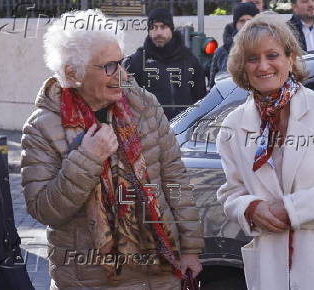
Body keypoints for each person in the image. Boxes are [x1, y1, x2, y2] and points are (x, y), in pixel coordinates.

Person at [21, 9, 203, 290]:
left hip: (160, 272)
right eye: (109, 66)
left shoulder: (144, 105)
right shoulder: (42, 127)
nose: (121, 74)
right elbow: (44, 210)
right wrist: (88, 158)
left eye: (121, 62)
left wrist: (190, 247)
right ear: (73, 73)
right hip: (91, 280)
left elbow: (174, 179)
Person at [216, 12, 314, 290]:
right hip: (272, 270)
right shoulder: (233, 126)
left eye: (272, 55)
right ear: (243, 67)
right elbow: (231, 192)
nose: (263, 66)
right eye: (252, 58)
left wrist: (292, 209)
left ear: (290, 58)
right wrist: (251, 208)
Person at [124, 8, 206, 120]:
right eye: (153, 28)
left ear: (171, 29)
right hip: (151, 132)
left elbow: (200, 98)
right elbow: (127, 100)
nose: (158, 33)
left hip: (184, 128)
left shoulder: (188, 59)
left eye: (163, 27)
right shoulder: (139, 60)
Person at [209, 2, 259, 88]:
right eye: (241, 21)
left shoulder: (263, 48)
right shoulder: (221, 52)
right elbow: (213, 87)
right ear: (235, 24)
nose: (245, 25)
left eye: (249, 20)